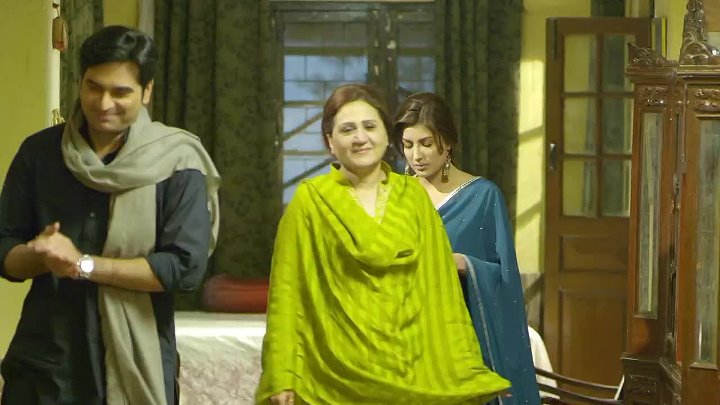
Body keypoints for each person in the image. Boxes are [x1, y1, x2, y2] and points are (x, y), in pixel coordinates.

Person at [0, 26, 220, 405]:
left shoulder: (177, 161)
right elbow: (5, 251)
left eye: (120, 92)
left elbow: (183, 269)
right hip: (47, 363)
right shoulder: (40, 152)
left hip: (138, 360)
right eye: (93, 87)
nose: (103, 103)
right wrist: (40, 256)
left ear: (146, 92)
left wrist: (82, 265)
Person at [256, 84, 510, 405]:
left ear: (387, 136)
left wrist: (466, 370)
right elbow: (286, 293)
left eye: (370, 126)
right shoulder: (310, 201)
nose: (360, 137)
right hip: (331, 377)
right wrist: (282, 374)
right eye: (347, 129)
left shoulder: (412, 197)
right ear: (330, 142)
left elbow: (441, 291)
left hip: (411, 373)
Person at [393, 92, 540, 405]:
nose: (416, 156)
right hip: (402, 338)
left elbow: (505, 280)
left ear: (447, 142)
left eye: (426, 144)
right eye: (408, 145)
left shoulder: (483, 197)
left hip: (461, 339)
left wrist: (464, 264)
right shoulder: (395, 198)